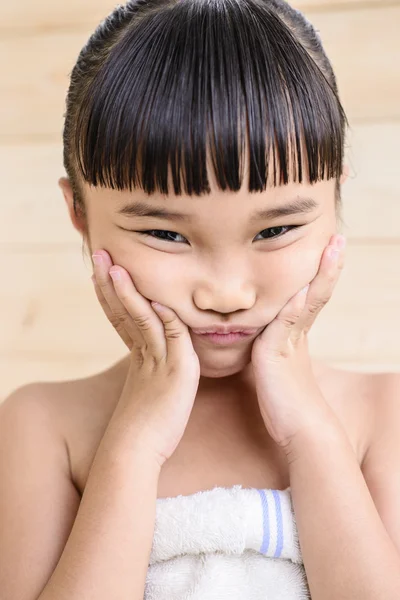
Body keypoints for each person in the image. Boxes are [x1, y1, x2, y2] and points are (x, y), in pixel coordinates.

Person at [1, 0, 400, 598]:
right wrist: (136, 440)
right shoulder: (44, 428)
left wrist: (309, 430)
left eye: (274, 231)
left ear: (336, 195)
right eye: (166, 234)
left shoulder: (382, 414)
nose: (226, 294)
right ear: (79, 214)